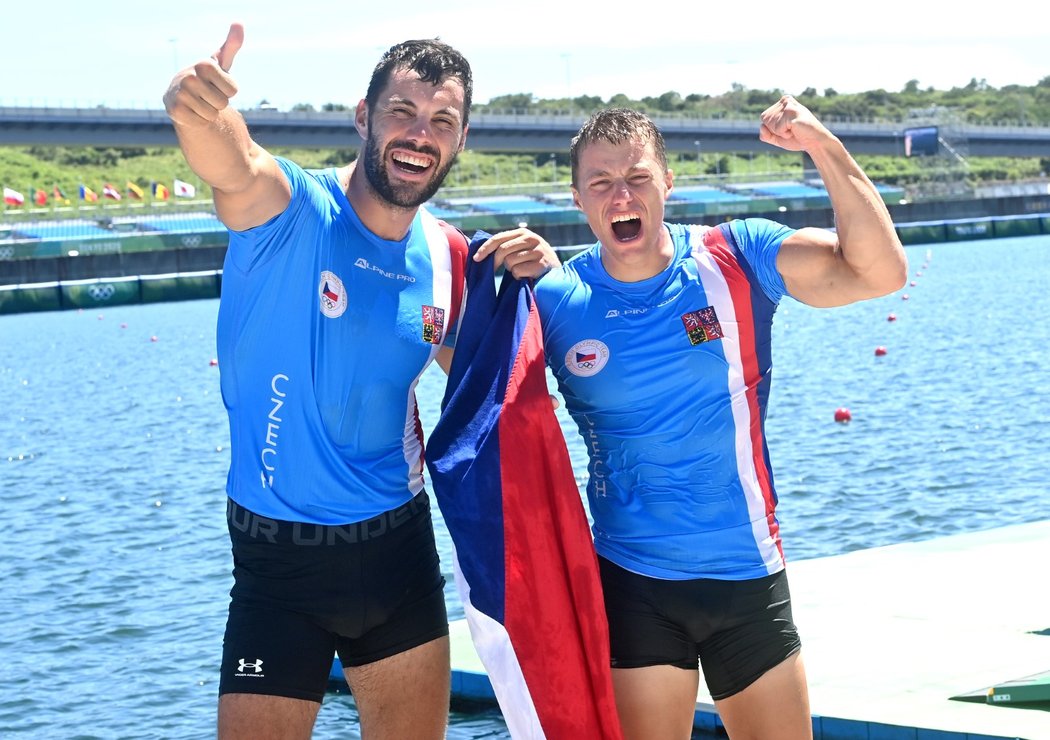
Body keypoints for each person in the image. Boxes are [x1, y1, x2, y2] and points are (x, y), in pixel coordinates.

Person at [163, 23, 556, 740]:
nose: (418, 133)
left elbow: (511, 380)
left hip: (395, 558)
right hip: (276, 566)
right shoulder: (290, 210)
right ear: (363, 117)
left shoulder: (448, 257)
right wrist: (197, 107)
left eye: (441, 120)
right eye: (401, 111)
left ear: (461, 139)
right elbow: (232, 161)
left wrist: (549, 281)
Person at [520, 100, 906, 739]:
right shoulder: (557, 300)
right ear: (577, 199)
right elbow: (476, 381)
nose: (622, 195)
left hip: (747, 575)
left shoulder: (736, 258)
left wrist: (822, 145)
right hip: (632, 580)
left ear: (667, 183)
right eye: (602, 184)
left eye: (638, 178)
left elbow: (881, 271)